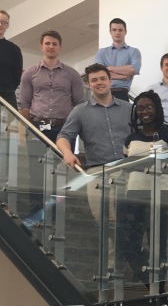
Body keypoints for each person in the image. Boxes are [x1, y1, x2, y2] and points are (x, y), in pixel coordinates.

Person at [56, 64, 133, 276]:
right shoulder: (80, 111)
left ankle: (115, 265)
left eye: (102, 78)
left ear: (110, 81)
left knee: (124, 219)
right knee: (104, 220)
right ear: (89, 85)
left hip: (126, 169)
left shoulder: (128, 108)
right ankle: (123, 259)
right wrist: (68, 153)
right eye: (94, 80)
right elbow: (63, 136)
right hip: (96, 171)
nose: (99, 82)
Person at [16, 30, 85, 219]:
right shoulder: (30, 73)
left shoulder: (72, 74)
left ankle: (56, 212)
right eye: (47, 43)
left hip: (64, 129)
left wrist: (75, 129)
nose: (51, 46)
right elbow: (24, 104)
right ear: (41, 46)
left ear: (60, 47)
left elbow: (80, 104)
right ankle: (35, 209)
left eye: (55, 43)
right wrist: (27, 130)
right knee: (35, 172)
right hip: (37, 127)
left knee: (60, 172)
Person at [121, 90, 168, 285]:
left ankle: (161, 286)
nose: (144, 111)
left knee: (160, 244)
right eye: (140, 108)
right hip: (133, 194)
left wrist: (138, 163)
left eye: (148, 107)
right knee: (129, 243)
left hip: (160, 194)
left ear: (157, 109)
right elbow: (124, 166)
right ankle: (144, 273)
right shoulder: (131, 138)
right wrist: (145, 162)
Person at [95, 18, 141, 102]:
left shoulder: (134, 51)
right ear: (110, 32)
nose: (117, 32)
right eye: (114, 30)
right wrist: (123, 76)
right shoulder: (101, 52)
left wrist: (108, 69)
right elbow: (99, 74)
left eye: (120, 30)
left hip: (122, 94)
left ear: (125, 32)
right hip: (104, 93)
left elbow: (134, 70)